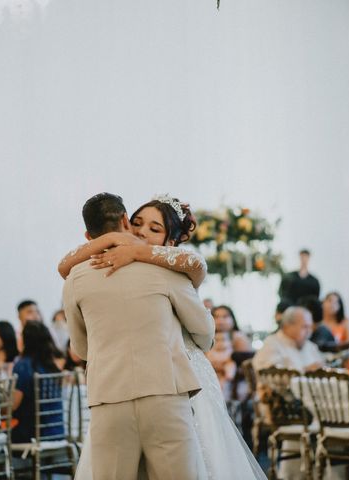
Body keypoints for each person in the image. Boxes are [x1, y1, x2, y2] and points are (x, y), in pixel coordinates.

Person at [59, 193, 265, 480]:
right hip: (166, 393)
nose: (142, 232)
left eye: (154, 228)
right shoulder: (169, 273)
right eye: (138, 223)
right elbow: (205, 336)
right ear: (125, 222)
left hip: (110, 395)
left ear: (171, 239)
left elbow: (81, 349)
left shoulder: (76, 278)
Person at [11, 321, 65, 443]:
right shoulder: (52, 367)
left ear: (26, 340)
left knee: (0, 435)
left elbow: (13, 405)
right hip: (57, 431)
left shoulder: (23, 366)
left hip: (34, 434)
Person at [252, 306, 323, 372]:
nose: (309, 331)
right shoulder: (271, 344)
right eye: (305, 327)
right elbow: (269, 377)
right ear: (287, 326)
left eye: (310, 327)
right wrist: (306, 371)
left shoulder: (310, 346)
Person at [206, 332, 237, 396]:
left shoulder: (229, 351)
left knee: (230, 366)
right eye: (217, 340)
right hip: (211, 373)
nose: (220, 343)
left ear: (230, 342)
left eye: (223, 340)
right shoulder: (210, 351)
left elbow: (230, 362)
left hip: (224, 375)